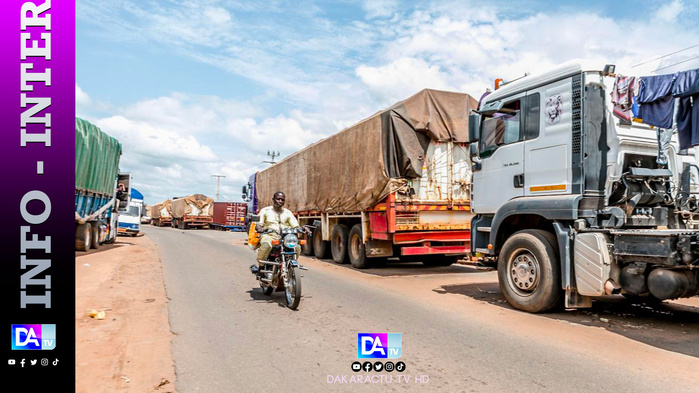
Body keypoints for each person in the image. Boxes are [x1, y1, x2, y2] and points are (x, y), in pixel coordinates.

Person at [251, 191, 308, 275]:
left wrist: (302, 228)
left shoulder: (288, 213)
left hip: (285, 238)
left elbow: (295, 225)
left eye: (282, 200)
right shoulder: (265, 211)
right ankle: (261, 267)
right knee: (266, 245)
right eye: (278, 199)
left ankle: (291, 266)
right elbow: (259, 224)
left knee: (297, 247)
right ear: (273, 200)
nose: (280, 201)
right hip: (269, 235)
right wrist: (260, 228)